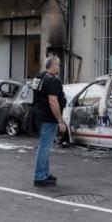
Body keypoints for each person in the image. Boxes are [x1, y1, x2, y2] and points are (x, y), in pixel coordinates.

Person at [31, 55, 67, 187]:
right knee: (45, 147)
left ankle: (44, 173)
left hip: (39, 116)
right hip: (48, 117)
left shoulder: (39, 77)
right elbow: (53, 102)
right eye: (58, 65)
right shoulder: (52, 81)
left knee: (44, 145)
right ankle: (40, 176)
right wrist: (60, 121)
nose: (59, 67)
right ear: (52, 66)